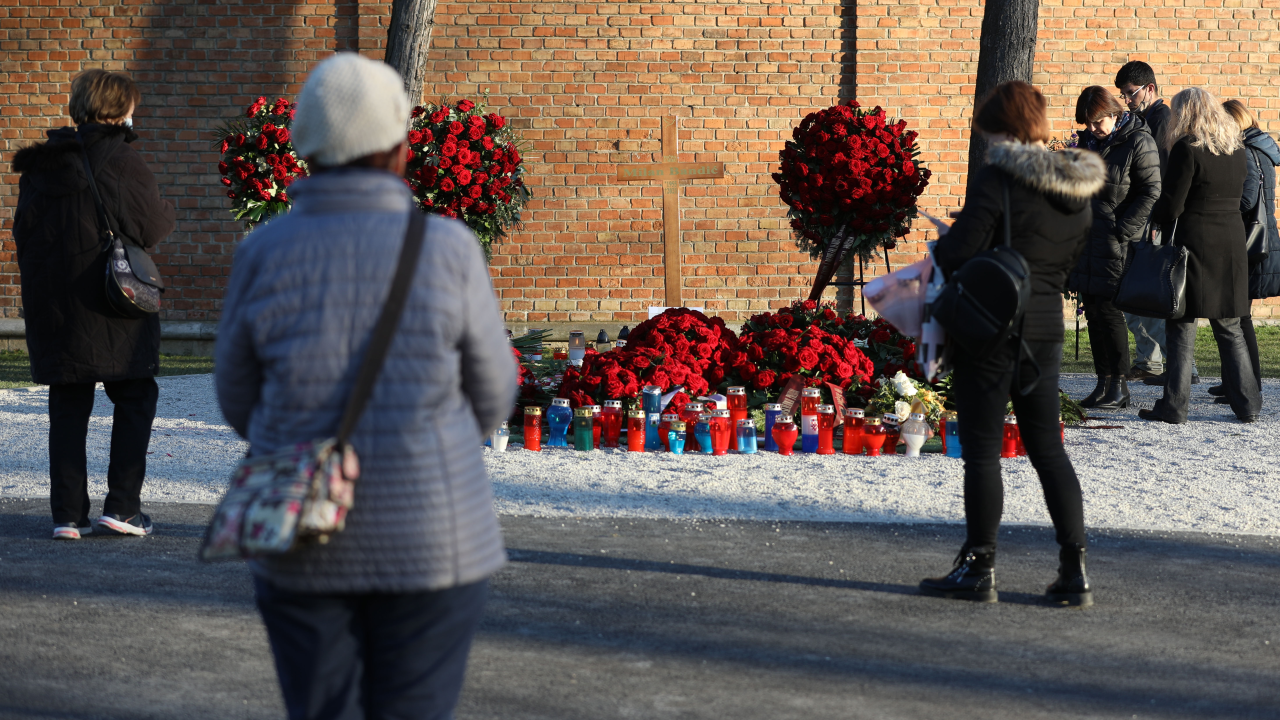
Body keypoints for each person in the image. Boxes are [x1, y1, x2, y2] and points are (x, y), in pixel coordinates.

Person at [215, 53, 517, 720]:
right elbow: (495, 390)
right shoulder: (448, 248)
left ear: (303, 150)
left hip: (302, 535)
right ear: (401, 148)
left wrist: (299, 440)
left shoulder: (262, 252)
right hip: (433, 536)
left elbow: (236, 395)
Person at [922, 81, 1105, 606]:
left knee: (982, 450)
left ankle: (979, 567)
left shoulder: (997, 178)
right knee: (1048, 449)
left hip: (993, 327)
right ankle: (1075, 570)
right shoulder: (1075, 189)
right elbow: (1058, 258)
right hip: (1046, 323)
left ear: (1001, 129)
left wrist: (946, 238)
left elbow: (958, 255)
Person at [12, 69, 175, 540]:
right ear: (119, 109)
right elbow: (151, 227)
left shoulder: (40, 167)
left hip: (56, 305)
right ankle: (122, 508)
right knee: (135, 395)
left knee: (67, 402)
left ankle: (67, 515)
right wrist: (168, 211)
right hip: (113, 301)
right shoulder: (120, 159)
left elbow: (24, 235)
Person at [1139, 88, 1261, 425]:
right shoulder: (1235, 148)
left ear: (1185, 113)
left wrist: (1155, 214)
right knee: (1230, 325)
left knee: (1181, 326)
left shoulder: (1186, 147)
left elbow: (1173, 204)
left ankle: (1174, 407)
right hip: (1231, 242)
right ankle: (1248, 404)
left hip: (1194, 244)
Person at [1068, 86, 1161, 410]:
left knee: (1109, 313)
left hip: (1115, 242)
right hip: (1086, 237)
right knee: (1092, 313)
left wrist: (1124, 231)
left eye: (1096, 122)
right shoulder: (1087, 144)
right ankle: (1103, 383)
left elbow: (1151, 190)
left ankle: (1119, 387)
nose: (1091, 129)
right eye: (1087, 124)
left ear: (1114, 113)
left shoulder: (1138, 140)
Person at [1113, 61, 1196, 384]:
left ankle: (1178, 365)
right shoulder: (1146, 119)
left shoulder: (1160, 121)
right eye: (1122, 95)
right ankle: (1152, 360)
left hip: (1151, 219)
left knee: (1150, 290)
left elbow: (1157, 178)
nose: (1127, 100)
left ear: (1150, 88)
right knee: (1141, 290)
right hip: (1147, 217)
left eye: (1130, 94)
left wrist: (1156, 220)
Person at [1210, 100, 1279, 402]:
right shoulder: (1260, 148)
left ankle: (1247, 384)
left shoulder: (1247, 152)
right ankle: (1236, 380)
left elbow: (1247, 199)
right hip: (1260, 239)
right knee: (1237, 313)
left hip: (1248, 241)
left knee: (1239, 315)